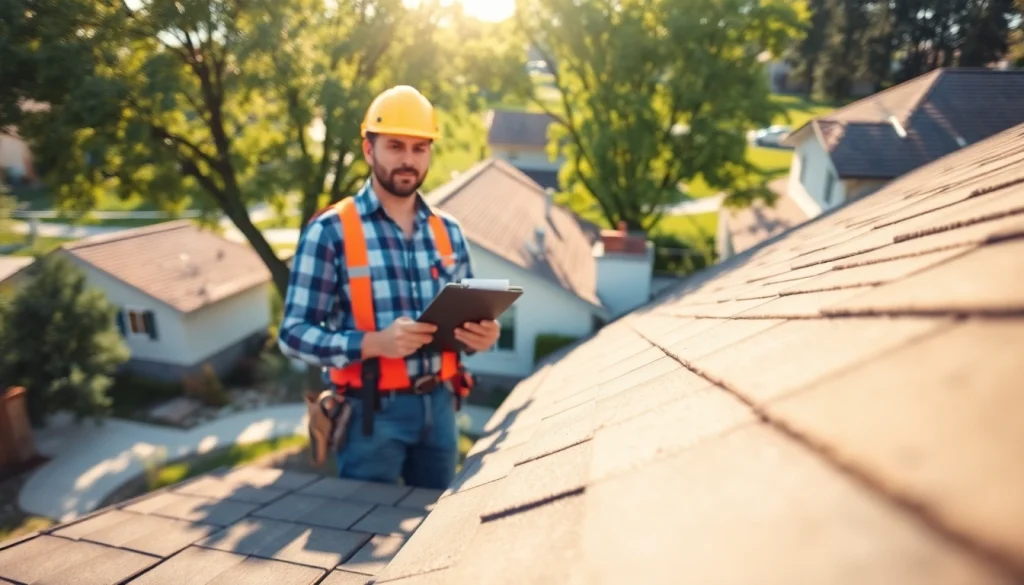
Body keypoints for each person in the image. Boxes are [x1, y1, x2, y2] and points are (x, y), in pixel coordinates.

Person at [277, 85, 501, 490]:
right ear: (368, 150)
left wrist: (479, 337)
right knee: (360, 531)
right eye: (395, 146)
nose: (408, 160)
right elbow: (292, 335)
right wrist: (372, 344)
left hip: (440, 408)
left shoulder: (448, 232)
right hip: (370, 415)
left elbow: (461, 326)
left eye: (420, 148)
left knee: (433, 534)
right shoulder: (330, 231)